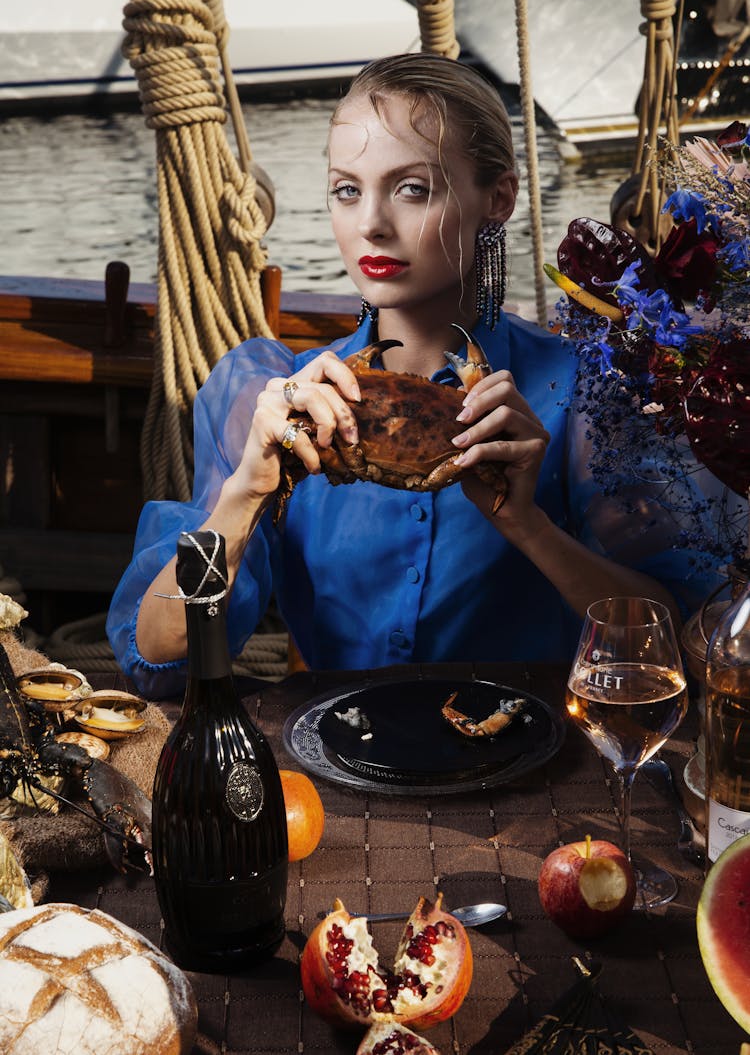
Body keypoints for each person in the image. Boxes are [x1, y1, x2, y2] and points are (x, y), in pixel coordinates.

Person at [107, 52, 685, 699]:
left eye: (412, 188)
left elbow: (670, 648)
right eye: (347, 189)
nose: (371, 224)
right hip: (335, 767)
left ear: (499, 198)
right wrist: (242, 497)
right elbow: (161, 655)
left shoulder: (581, 394)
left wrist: (529, 526)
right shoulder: (270, 398)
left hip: (539, 767)